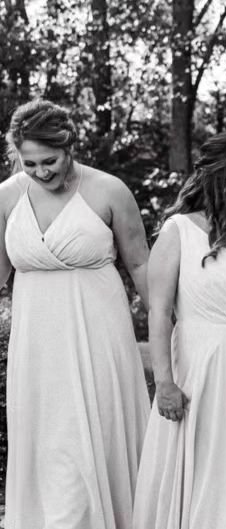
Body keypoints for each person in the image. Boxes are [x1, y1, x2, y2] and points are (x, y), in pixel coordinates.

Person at [0, 99, 150, 528]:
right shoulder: (7, 198)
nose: (42, 172)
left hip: (98, 331)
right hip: (37, 343)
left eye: (50, 160)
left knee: (96, 436)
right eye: (29, 164)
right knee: (51, 442)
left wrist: (171, 328)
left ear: (70, 148)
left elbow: (140, 264)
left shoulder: (109, 190)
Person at [133, 132, 226, 529]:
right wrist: (165, 383)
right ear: (225, 176)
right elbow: (158, 314)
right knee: (208, 463)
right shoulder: (179, 230)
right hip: (202, 372)